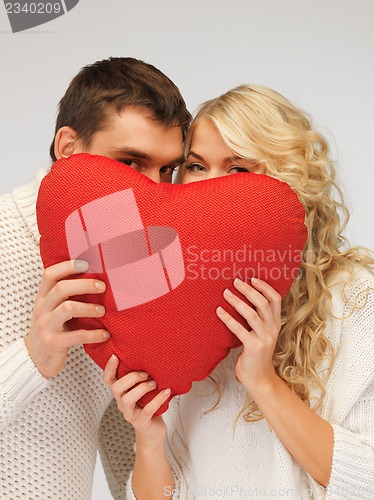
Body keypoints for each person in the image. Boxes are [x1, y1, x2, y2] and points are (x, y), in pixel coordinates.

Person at [105, 85, 374, 499]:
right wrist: (148, 436)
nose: (210, 187)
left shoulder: (356, 298)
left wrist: (262, 380)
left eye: (237, 170)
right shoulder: (169, 306)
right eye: (196, 166)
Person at [0, 56, 191, 499]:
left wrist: (149, 437)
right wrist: (33, 358)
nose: (153, 191)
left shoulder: (128, 264)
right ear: (68, 148)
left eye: (167, 170)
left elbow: (123, 455)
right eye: (130, 163)